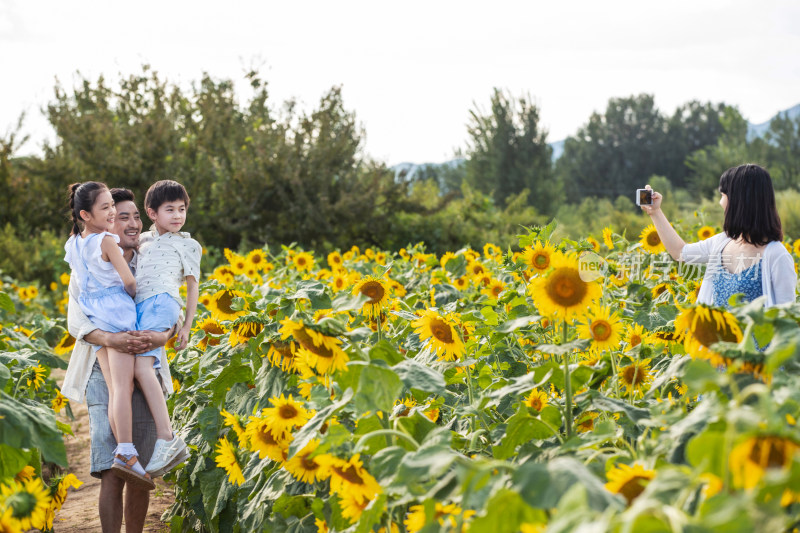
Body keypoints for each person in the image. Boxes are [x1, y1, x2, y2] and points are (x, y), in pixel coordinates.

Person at [62, 187, 175, 532]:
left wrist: (164, 336)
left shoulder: (151, 260)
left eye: (134, 215)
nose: (129, 222)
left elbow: (166, 309)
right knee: (111, 468)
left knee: (139, 468)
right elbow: (76, 320)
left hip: (145, 364)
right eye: (121, 215)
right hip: (102, 370)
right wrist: (112, 339)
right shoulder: (93, 263)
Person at [641, 163, 796, 308]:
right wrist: (655, 212)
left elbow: (786, 320)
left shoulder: (777, 256)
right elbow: (680, 252)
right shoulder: (723, 242)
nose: (720, 202)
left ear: (739, 201)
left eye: (723, 195)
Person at [131, 179, 200, 474]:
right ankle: (161, 439)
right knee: (147, 367)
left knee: (142, 368)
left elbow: (193, 286)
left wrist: (185, 326)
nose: (177, 215)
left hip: (163, 302)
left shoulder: (188, 243)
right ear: (152, 212)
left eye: (181, 209)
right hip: (143, 306)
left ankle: (166, 437)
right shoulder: (142, 241)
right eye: (169, 209)